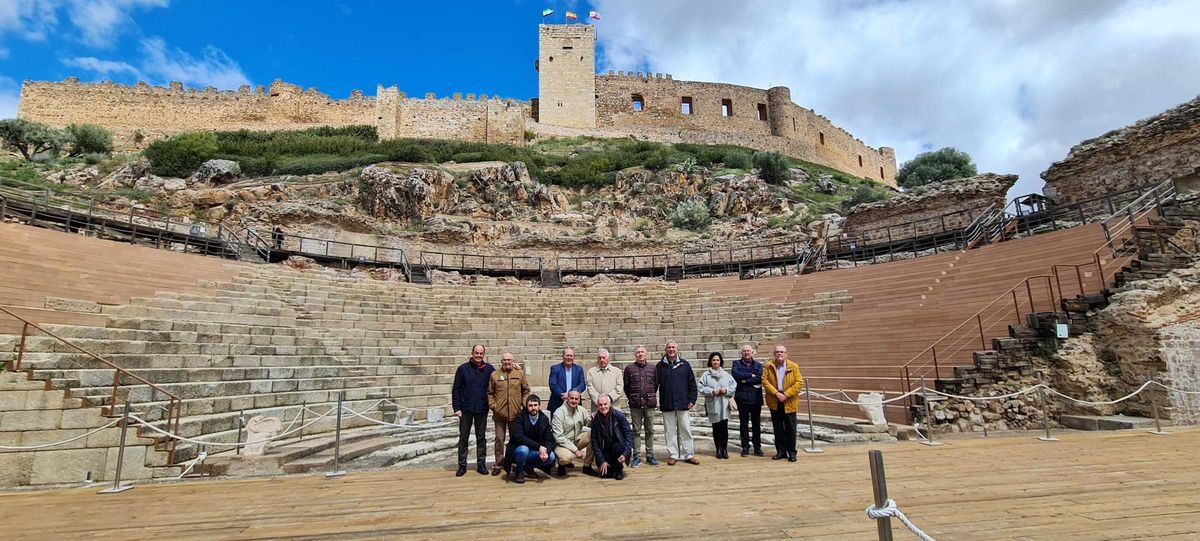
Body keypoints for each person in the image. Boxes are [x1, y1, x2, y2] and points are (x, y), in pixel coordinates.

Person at [451, 344, 495, 476]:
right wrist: (457, 407)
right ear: (472, 353)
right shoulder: (463, 369)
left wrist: (515, 368)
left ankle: (481, 464)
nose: (478, 355)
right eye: (476, 353)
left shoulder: (489, 369)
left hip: (481, 409)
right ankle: (462, 465)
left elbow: (500, 378)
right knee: (463, 438)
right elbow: (456, 389)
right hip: (466, 409)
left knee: (481, 438)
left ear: (484, 355)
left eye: (481, 353)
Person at [487, 352, 530, 476]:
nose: (507, 362)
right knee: (499, 439)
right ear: (501, 361)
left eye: (509, 360)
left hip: (516, 413)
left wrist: (524, 405)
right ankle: (498, 464)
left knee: (516, 439)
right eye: (504, 360)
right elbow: (490, 393)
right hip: (499, 413)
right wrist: (493, 406)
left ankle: (516, 463)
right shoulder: (495, 375)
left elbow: (526, 390)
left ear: (513, 361)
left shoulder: (519, 373)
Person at [657, 340, 699, 465]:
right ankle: (673, 454)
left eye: (673, 347)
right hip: (667, 404)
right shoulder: (659, 367)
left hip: (683, 403)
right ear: (665, 350)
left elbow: (692, 384)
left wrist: (692, 400)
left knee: (685, 429)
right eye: (669, 347)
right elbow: (654, 385)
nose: (671, 350)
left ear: (677, 349)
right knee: (669, 431)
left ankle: (688, 454)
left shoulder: (685, 365)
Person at [763, 344, 804, 462]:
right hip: (775, 400)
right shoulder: (768, 366)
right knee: (778, 428)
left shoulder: (794, 366)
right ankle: (780, 451)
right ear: (774, 354)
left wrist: (786, 394)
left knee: (791, 428)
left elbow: (799, 383)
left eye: (781, 352)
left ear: (786, 354)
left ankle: (792, 452)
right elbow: (765, 381)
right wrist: (777, 393)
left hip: (789, 400)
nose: (779, 354)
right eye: (777, 352)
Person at [505, 394, 557, 484]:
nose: (533, 408)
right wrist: (538, 447)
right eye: (530, 406)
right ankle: (519, 471)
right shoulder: (520, 417)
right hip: (518, 449)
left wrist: (545, 451)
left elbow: (549, 439)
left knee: (551, 456)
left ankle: (528, 466)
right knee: (523, 450)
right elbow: (519, 437)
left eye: (535, 405)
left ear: (539, 406)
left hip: (534, 451)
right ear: (526, 406)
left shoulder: (544, 419)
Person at [623, 345, 659, 467]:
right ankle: (637, 456)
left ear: (646, 354)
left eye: (642, 352)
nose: (640, 354)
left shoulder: (652, 368)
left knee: (650, 430)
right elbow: (626, 387)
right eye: (638, 352)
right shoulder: (629, 369)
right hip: (635, 405)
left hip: (649, 404)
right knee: (636, 431)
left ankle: (650, 455)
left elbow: (656, 385)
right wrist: (633, 397)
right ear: (635, 355)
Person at [699, 352, 737, 459]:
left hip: (724, 404)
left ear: (720, 362)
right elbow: (701, 388)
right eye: (714, 360)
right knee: (715, 427)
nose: (716, 362)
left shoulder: (726, 374)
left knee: (724, 427)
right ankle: (718, 449)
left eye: (717, 360)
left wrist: (725, 390)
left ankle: (724, 449)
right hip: (713, 404)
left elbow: (733, 386)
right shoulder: (705, 375)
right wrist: (711, 391)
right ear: (710, 362)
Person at [731, 344, 765, 456]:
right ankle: (745, 446)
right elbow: (736, 375)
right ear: (741, 353)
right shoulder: (736, 364)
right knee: (743, 424)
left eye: (748, 351)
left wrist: (745, 381)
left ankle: (757, 447)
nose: (746, 352)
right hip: (742, 399)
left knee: (756, 424)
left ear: (752, 352)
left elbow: (760, 378)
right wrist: (751, 375)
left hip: (755, 399)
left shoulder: (758, 365)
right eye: (744, 351)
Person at [590, 394, 634, 480]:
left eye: (605, 404)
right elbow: (594, 442)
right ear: (597, 406)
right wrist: (601, 461)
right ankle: (610, 467)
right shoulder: (595, 420)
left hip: (617, 447)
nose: (603, 407)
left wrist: (626, 454)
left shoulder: (619, 416)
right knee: (605, 475)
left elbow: (629, 434)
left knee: (617, 447)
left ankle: (618, 470)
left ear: (610, 404)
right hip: (604, 449)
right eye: (600, 405)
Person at [551, 389, 593, 477]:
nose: (574, 401)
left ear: (579, 400)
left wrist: (595, 419)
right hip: (561, 444)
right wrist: (576, 450)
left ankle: (587, 466)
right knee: (566, 457)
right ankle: (562, 465)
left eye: (576, 399)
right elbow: (558, 437)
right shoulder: (559, 413)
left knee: (594, 434)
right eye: (572, 398)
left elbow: (589, 423)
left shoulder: (582, 410)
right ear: (567, 398)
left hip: (576, 439)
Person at [548, 348, 585, 414]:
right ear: (563, 356)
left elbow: (582, 384)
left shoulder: (579, 369)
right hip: (558, 402)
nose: (569, 357)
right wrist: (564, 395)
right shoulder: (555, 368)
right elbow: (553, 384)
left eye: (571, 356)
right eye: (567, 355)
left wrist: (572, 394)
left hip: (575, 402)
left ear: (574, 357)